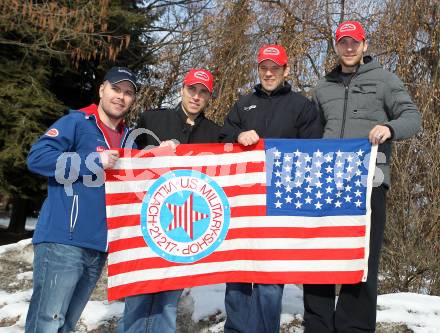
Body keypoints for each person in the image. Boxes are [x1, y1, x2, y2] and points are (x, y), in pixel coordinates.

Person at [303, 20, 421, 333]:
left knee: (362, 260)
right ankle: (317, 325)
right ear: (337, 46)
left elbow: (412, 117)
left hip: (368, 183)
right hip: (325, 185)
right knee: (319, 259)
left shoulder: (384, 80)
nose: (350, 47)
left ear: (364, 45)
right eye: (344, 42)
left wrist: (390, 128)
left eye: (355, 42)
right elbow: (310, 133)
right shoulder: (323, 86)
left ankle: (353, 327)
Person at [25, 66, 137, 332]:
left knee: (66, 325)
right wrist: (92, 161)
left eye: (128, 93)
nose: (120, 97)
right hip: (63, 240)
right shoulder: (76, 122)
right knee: (47, 322)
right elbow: (37, 159)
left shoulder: (129, 138)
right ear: (102, 90)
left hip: (98, 246)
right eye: (115, 89)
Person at [219, 44, 322, 333]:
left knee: (269, 281)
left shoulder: (302, 105)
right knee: (237, 275)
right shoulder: (243, 103)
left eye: (274, 68)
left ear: (286, 70)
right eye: (264, 67)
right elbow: (223, 136)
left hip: (279, 206)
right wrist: (238, 134)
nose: (268, 72)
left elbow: (311, 151)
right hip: (242, 203)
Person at [117, 68, 220, 333]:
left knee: (167, 304)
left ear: (209, 97)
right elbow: (127, 162)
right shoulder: (152, 119)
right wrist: (153, 153)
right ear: (182, 90)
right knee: (138, 299)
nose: (196, 97)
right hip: (146, 224)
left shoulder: (214, 134)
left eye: (203, 93)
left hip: (182, 232)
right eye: (191, 90)